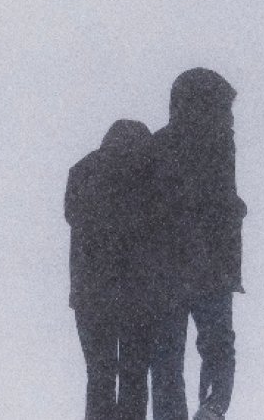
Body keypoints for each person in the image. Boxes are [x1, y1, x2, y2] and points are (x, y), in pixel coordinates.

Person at [149, 68, 246, 420]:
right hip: (214, 271)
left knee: (166, 359)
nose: (230, 117)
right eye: (225, 108)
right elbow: (219, 205)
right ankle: (212, 408)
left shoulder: (159, 146)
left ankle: (171, 415)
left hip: (168, 271)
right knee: (218, 348)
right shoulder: (220, 146)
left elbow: (157, 210)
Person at [66, 119, 160, 420]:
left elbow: (73, 216)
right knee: (134, 377)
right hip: (139, 295)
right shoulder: (149, 174)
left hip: (91, 295)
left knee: (99, 376)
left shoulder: (82, 171)